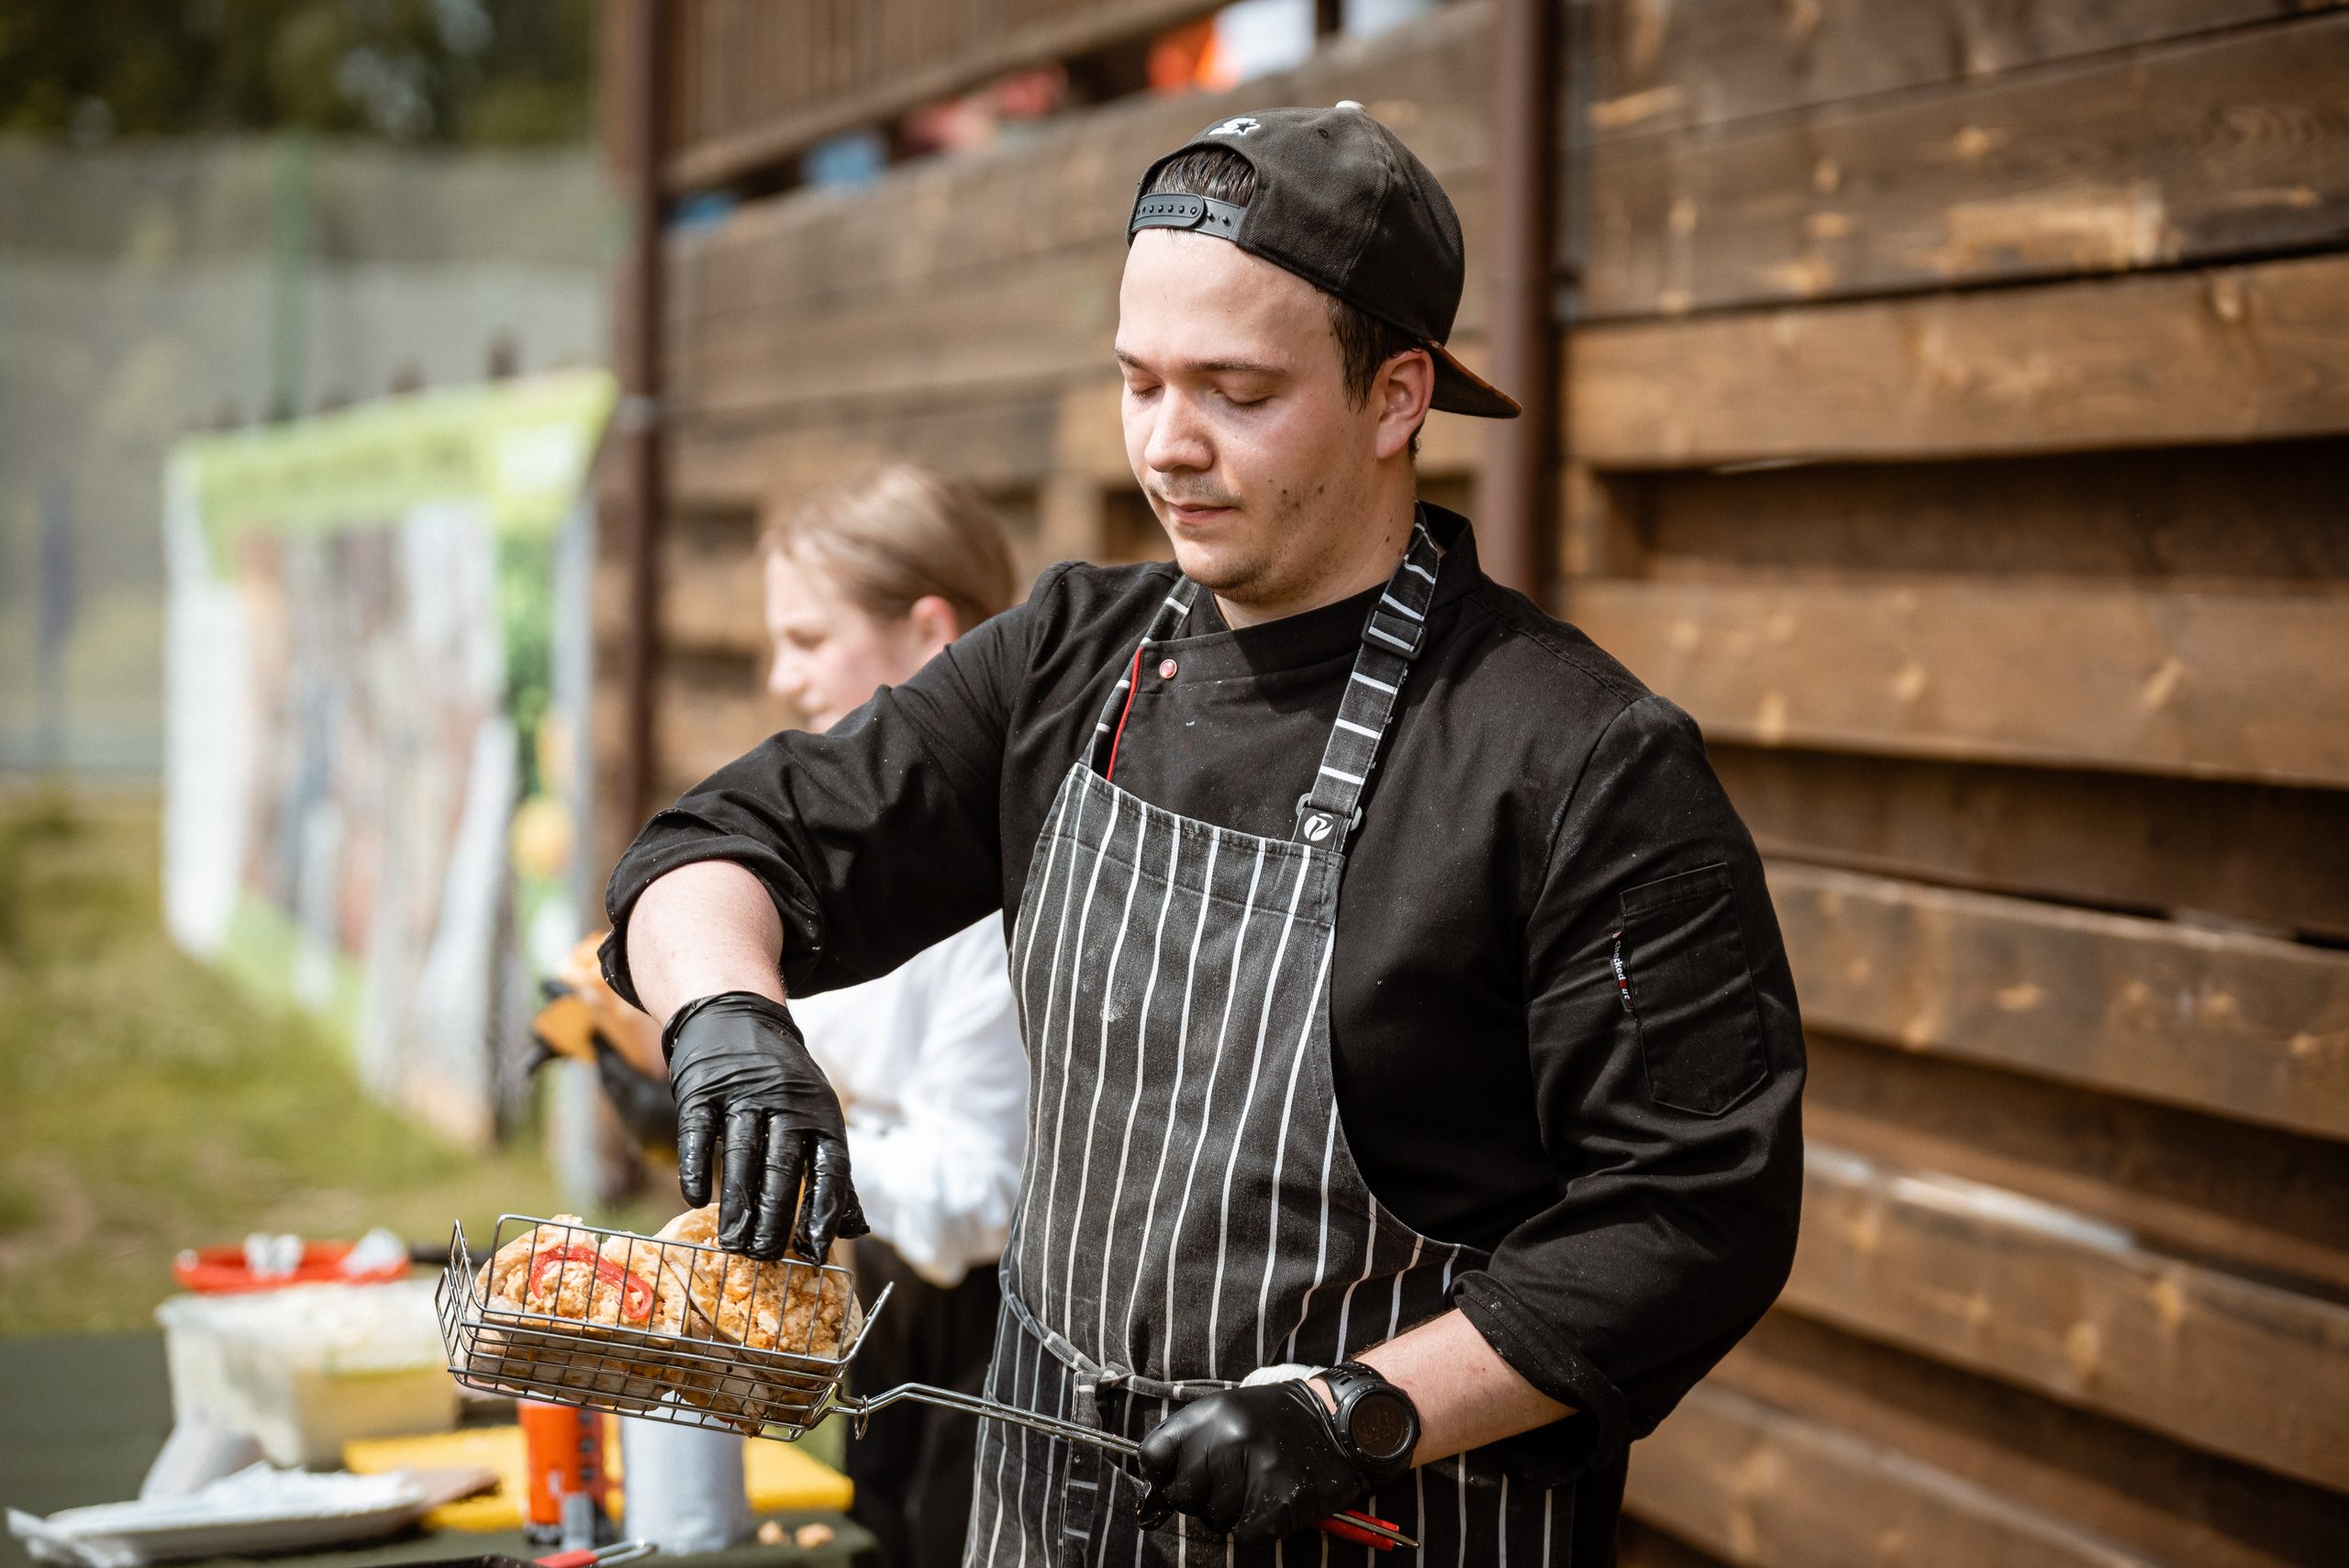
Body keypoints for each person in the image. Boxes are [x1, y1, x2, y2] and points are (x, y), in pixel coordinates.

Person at [600, 106, 1803, 1565]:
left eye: (1236, 390)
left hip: (1390, 1514)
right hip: (1043, 1516)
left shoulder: (1571, 759)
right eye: (1140, 381)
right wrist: (728, 1018)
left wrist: (1355, 1410)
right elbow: (720, 844)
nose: (1170, 446)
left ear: (1397, 394)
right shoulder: (1066, 663)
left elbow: (1695, 1214)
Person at [752, 465, 1030, 1568]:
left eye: (808, 638)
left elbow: (977, 1194)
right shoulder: (879, 850)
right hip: (890, 1356)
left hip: (995, 1385)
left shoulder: (998, 892)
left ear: (927, 634)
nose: (781, 675)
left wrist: (791, 1149)